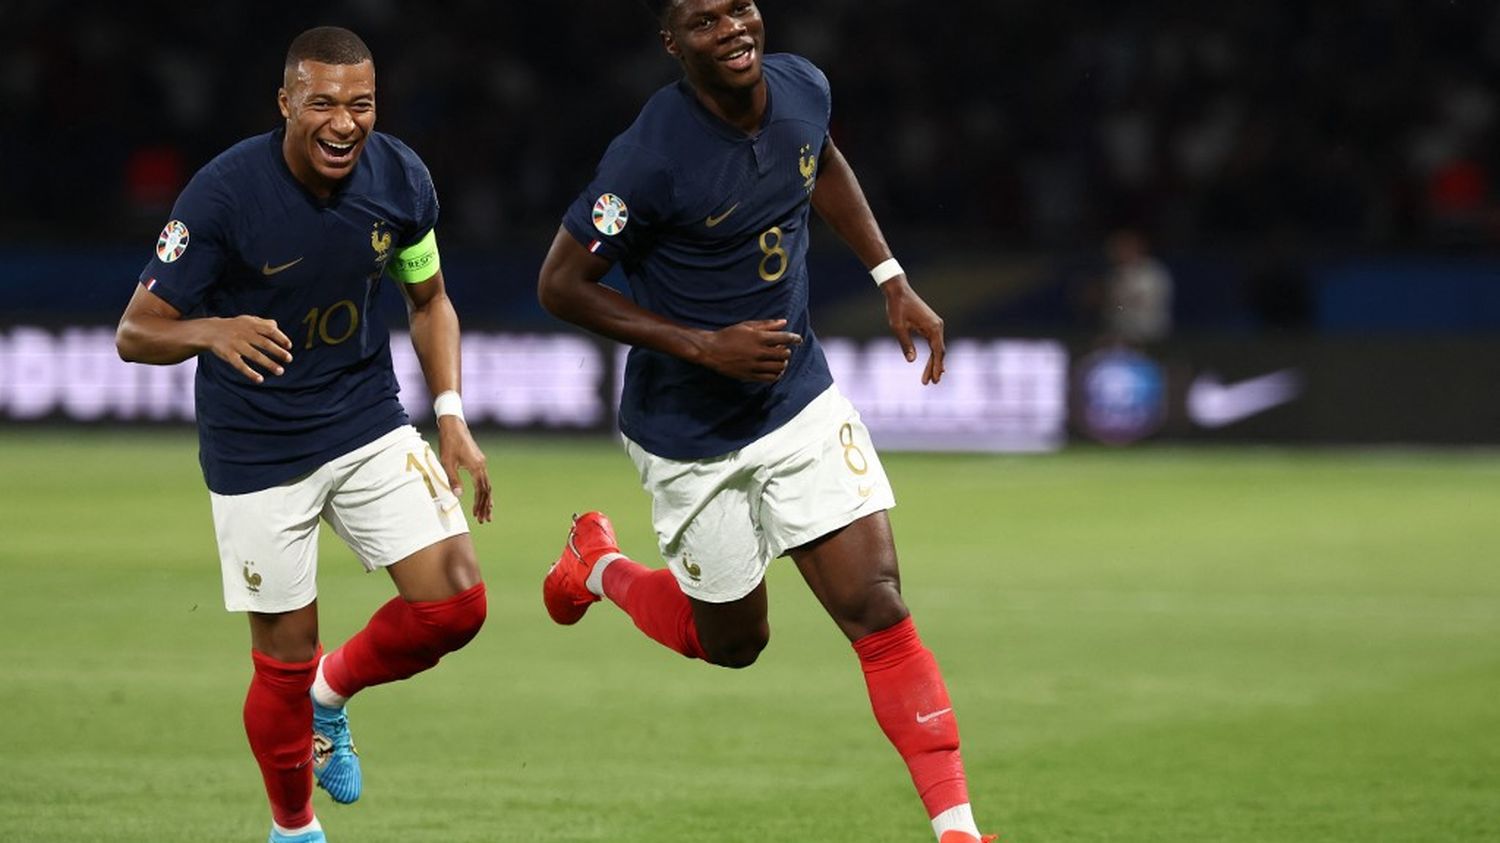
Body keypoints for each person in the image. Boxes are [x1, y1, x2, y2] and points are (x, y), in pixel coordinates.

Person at [535, 3, 995, 841]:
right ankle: (597, 563)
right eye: (706, 21)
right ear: (674, 45)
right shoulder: (647, 159)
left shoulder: (803, 87)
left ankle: (958, 830)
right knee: (735, 643)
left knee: (878, 608)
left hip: (798, 401)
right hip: (687, 430)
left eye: (740, 7)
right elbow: (560, 285)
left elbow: (819, 163)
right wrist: (702, 345)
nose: (735, 28)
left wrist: (890, 275)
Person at [115, 27, 490, 843]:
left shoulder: (401, 178)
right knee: (279, 662)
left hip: (365, 417)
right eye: (322, 102)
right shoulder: (223, 196)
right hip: (259, 449)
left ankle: (332, 693)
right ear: (286, 103)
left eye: (361, 104)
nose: (344, 122)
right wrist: (212, 330)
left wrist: (451, 413)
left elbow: (428, 301)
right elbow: (136, 332)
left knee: (457, 603)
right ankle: (294, 827)